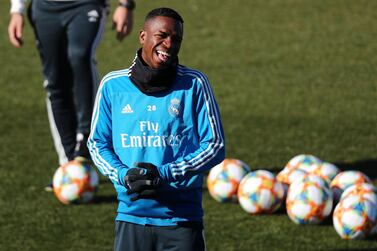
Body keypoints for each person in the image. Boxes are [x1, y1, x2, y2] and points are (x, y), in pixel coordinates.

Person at [88, 7, 225, 251]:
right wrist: (123, 175)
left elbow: (215, 146)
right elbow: (97, 143)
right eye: (162, 35)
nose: (169, 44)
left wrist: (166, 173)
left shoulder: (194, 84)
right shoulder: (112, 85)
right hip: (131, 216)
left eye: (176, 39)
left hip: (182, 220)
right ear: (143, 36)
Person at [7, 0, 135, 188]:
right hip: (44, 9)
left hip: (86, 4)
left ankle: (86, 135)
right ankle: (69, 163)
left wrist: (125, 5)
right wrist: (16, 10)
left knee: (80, 56)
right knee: (55, 81)